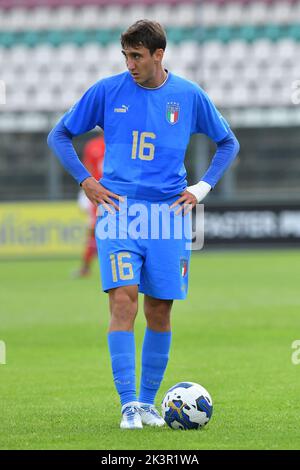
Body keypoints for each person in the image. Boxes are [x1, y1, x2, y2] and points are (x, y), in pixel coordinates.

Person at [48, 20, 239, 429]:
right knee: (123, 301)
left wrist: (201, 188)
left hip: (169, 216)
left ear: (158, 54)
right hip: (119, 211)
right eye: (126, 56)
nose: (130, 64)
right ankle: (128, 405)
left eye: (137, 56)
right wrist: (87, 180)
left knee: (159, 310)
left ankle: (150, 405)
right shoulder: (106, 91)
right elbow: (59, 134)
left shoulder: (187, 95)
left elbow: (228, 142)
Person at [74, 135, 105, 277]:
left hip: (108, 193)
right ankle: (86, 267)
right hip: (98, 194)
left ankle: (86, 267)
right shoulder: (93, 145)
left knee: (95, 230)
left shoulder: (120, 141)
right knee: (94, 230)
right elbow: (88, 170)